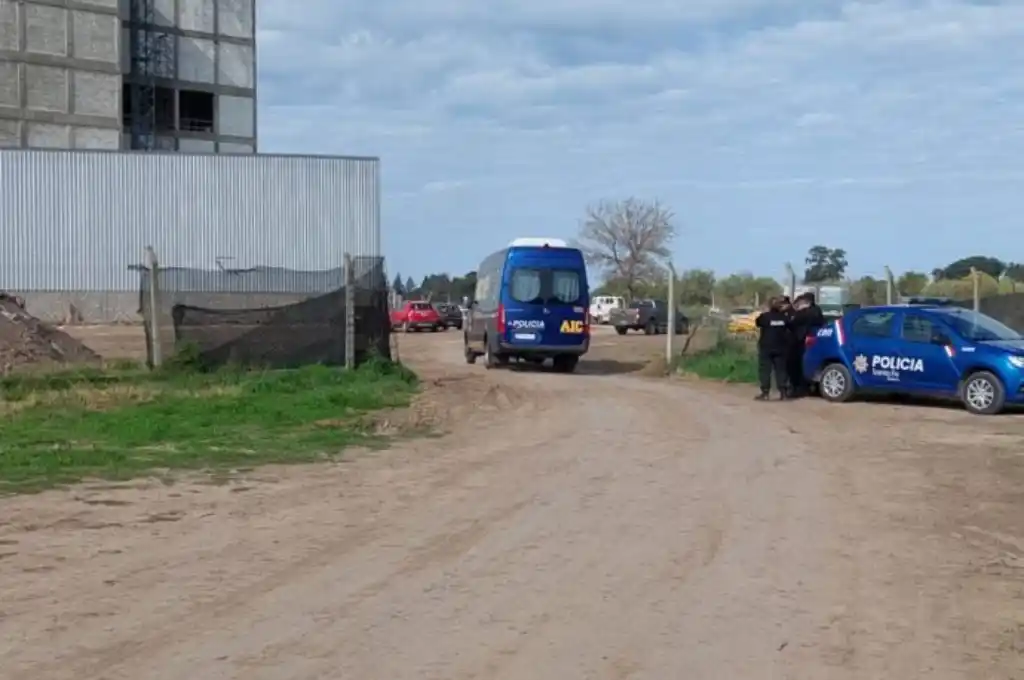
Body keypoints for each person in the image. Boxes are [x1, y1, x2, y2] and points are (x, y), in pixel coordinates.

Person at [787, 292, 826, 396]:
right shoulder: (818, 311)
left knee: (796, 365)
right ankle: (813, 388)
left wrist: (795, 312)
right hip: (815, 341)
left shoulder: (803, 313)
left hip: (800, 341)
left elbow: (792, 324)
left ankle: (798, 388)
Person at [754, 296, 792, 400]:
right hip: (781, 347)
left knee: (765, 370)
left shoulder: (765, 317)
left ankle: (765, 393)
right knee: (781, 370)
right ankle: (783, 393)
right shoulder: (784, 317)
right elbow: (790, 326)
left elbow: (757, 323)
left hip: (766, 347)